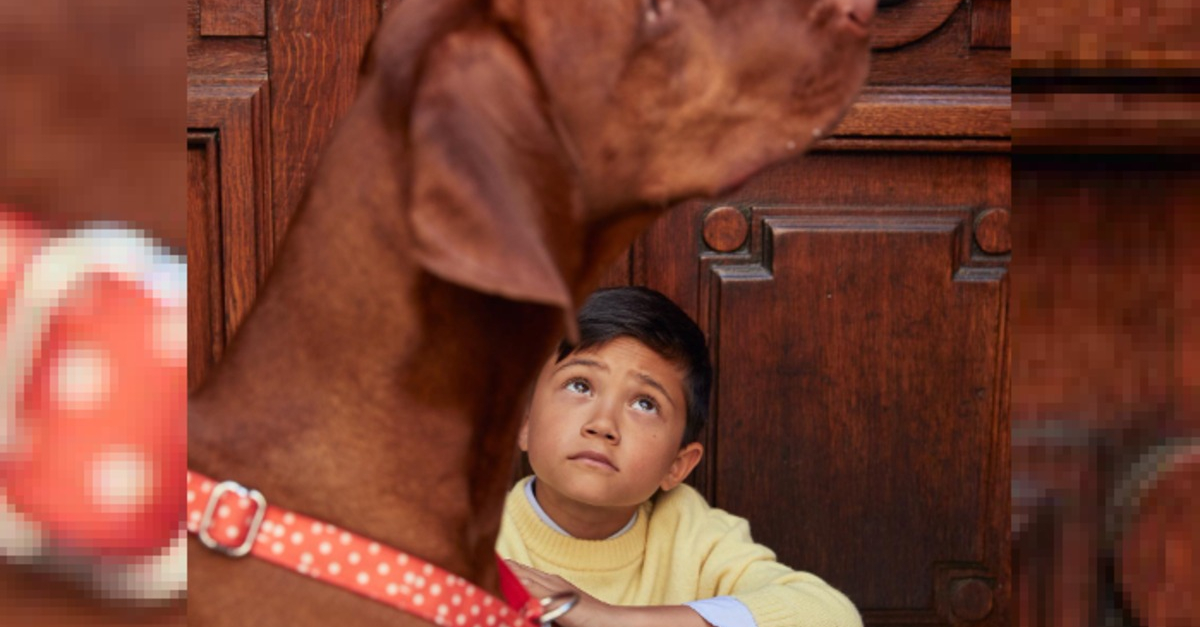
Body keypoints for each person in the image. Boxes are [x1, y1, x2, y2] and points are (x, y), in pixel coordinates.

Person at [497, 286, 862, 627]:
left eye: (645, 403)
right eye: (580, 385)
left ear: (677, 465)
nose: (603, 424)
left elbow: (831, 614)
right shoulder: (476, 534)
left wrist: (609, 618)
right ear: (523, 421)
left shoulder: (693, 535)